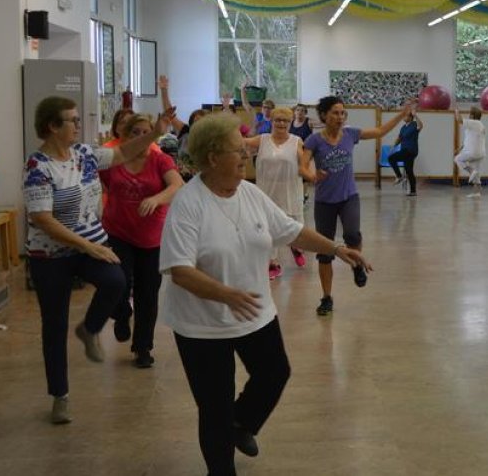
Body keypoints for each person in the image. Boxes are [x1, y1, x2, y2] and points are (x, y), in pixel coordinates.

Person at [160, 112, 373, 476]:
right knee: (215, 405)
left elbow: (291, 231)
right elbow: (179, 270)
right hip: (202, 324)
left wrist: (337, 249)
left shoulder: (249, 193)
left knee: (274, 372)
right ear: (212, 157)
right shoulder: (188, 203)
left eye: (245, 150)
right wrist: (226, 294)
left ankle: (240, 424)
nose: (246, 157)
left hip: (254, 310)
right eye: (237, 151)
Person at [23, 96, 175, 424]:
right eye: (73, 120)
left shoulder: (85, 154)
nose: (79, 125)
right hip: (50, 255)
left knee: (116, 281)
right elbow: (43, 219)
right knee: (54, 325)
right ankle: (60, 396)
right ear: (52, 126)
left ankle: (89, 329)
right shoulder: (38, 166)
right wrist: (89, 247)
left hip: (89, 245)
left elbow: (121, 152)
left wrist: (155, 133)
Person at [302, 96, 413, 316]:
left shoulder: (351, 134)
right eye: (335, 112)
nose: (340, 117)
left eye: (343, 113)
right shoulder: (314, 141)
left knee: (353, 235)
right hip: (324, 201)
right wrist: (313, 176)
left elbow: (380, 131)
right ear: (324, 115)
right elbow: (302, 166)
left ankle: (356, 265)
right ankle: (326, 298)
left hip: (348, 197)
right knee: (325, 251)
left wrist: (402, 114)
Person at [101, 114, 183, 369]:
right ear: (124, 137)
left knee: (148, 293)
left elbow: (177, 184)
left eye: (145, 132)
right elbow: (102, 187)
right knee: (118, 282)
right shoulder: (113, 161)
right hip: (118, 232)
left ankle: (143, 347)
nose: (140, 137)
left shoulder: (160, 159)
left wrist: (157, 199)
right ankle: (122, 313)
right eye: (134, 132)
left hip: (151, 238)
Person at [243, 107, 309, 279]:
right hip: (266, 192)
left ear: (290, 123)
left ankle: (296, 247)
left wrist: (315, 175)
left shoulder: (297, 141)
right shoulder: (262, 139)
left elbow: (305, 164)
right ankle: (273, 262)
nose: (281, 123)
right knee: (268, 228)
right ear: (271, 122)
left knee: (295, 227)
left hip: (290, 191)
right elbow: (242, 144)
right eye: (278, 120)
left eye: (285, 121)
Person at [389, 109, 424, 197]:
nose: (404, 117)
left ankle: (399, 176)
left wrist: (416, 115)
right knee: (409, 170)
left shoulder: (414, 124)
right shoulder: (403, 127)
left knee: (391, 158)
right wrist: (393, 146)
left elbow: (421, 125)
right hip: (404, 150)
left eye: (406, 116)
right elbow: (399, 138)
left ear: (410, 117)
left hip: (411, 150)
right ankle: (413, 191)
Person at [454, 107, 487, 197]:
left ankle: (471, 171)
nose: (468, 115)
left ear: (472, 115)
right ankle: (477, 192)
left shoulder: (474, 123)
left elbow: (459, 120)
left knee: (457, 159)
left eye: (470, 114)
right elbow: (470, 139)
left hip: (473, 152)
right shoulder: (480, 125)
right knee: (477, 172)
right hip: (481, 153)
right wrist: (460, 148)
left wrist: (456, 110)